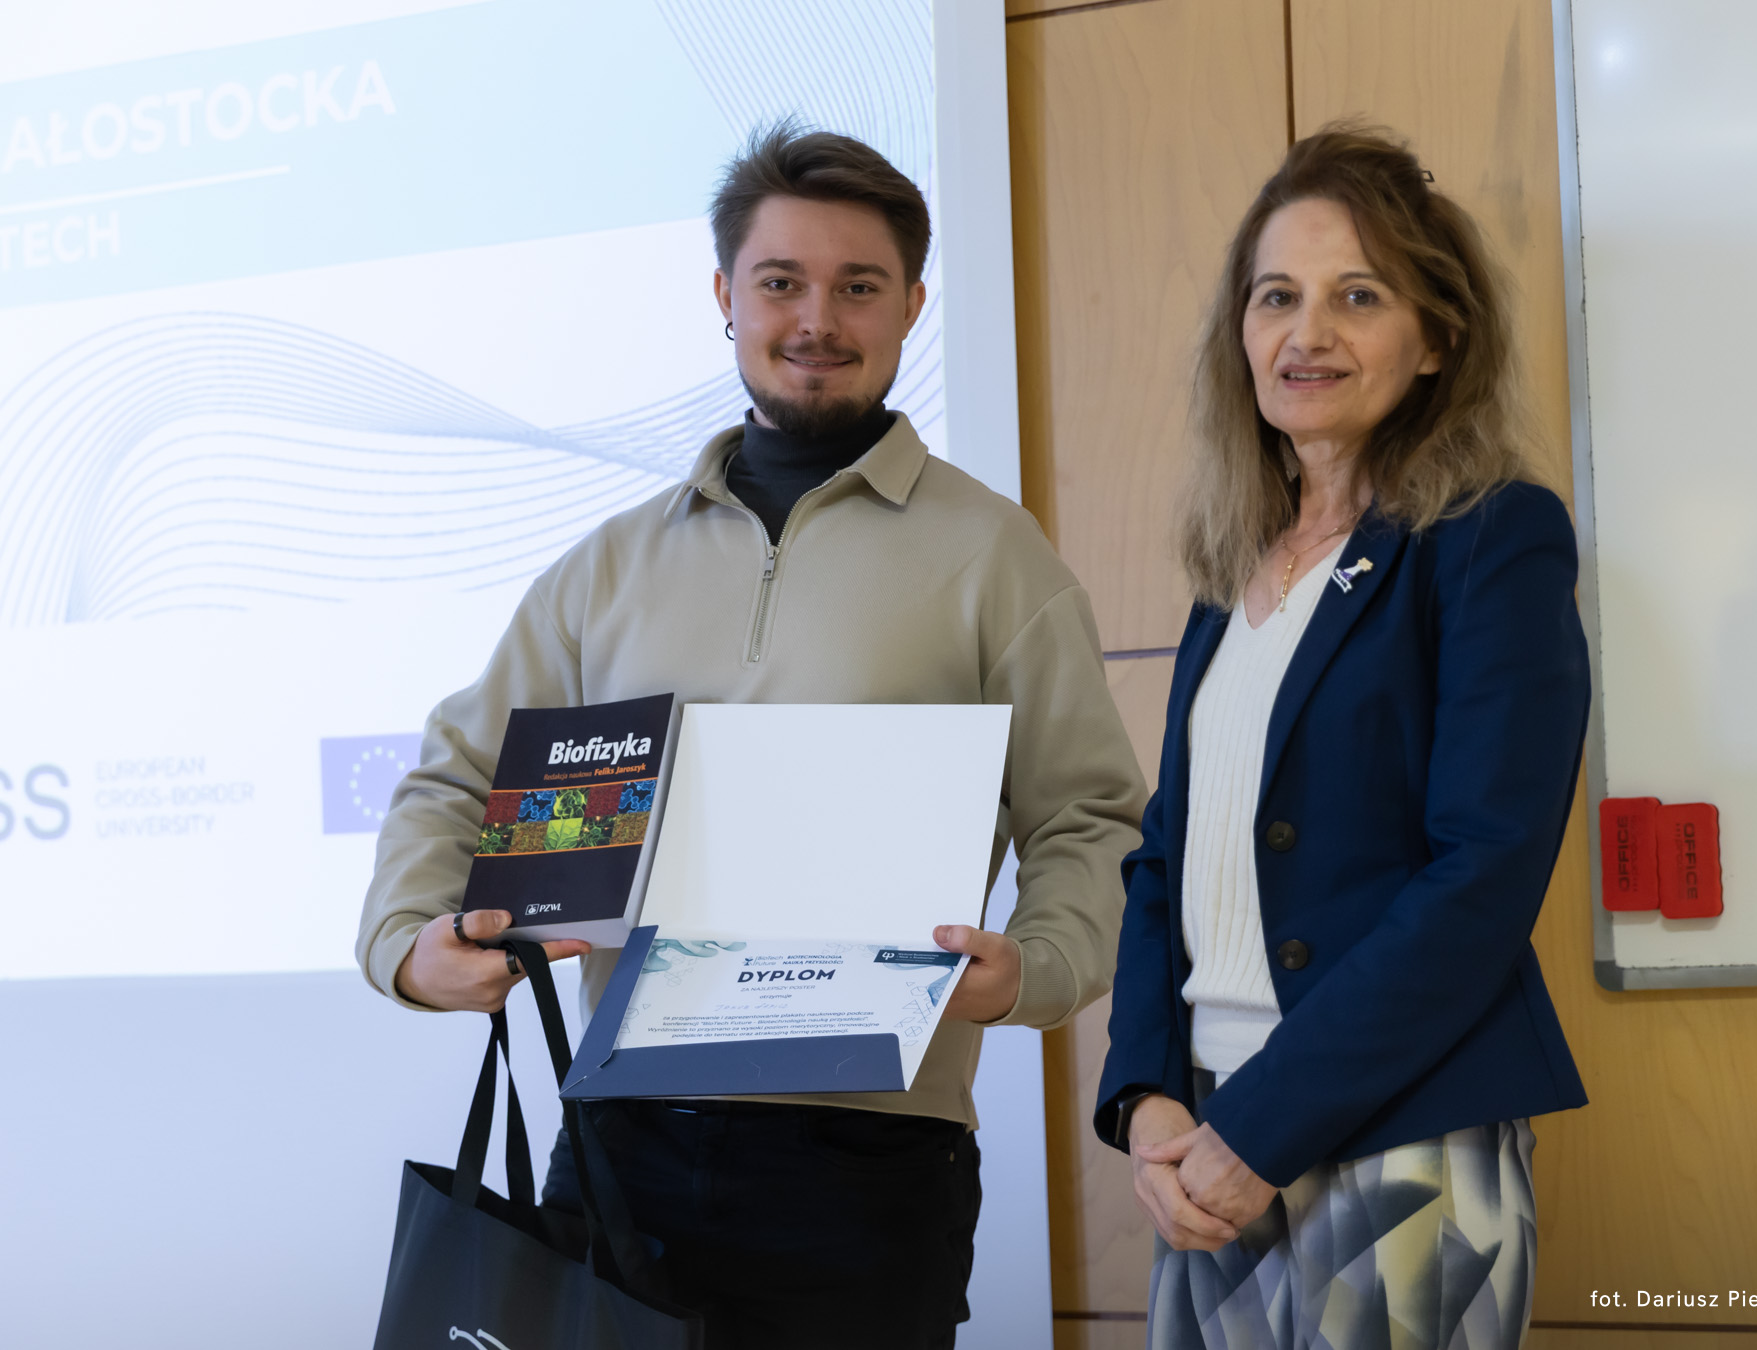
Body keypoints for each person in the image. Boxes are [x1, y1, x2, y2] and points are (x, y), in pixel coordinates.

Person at [356, 125, 1146, 1349]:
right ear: (726, 295)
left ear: (912, 305)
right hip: (619, 1146)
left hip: (869, 1165)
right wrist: (410, 945)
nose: (816, 318)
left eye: (859, 285)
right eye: (781, 282)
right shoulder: (608, 567)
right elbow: (458, 773)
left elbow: (1089, 818)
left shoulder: (997, 557)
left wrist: (1035, 968)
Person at [1093, 123, 1590, 1350]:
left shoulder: (1491, 539)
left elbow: (1483, 875)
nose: (1305, 334)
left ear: (1438, 337)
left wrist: (1262, 1127)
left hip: (1398, 1136)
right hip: (1204, 1144)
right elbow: (1166, 857)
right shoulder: (1232, 573)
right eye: (1277, 297)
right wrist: (1148, 1097)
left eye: (1357, 296)